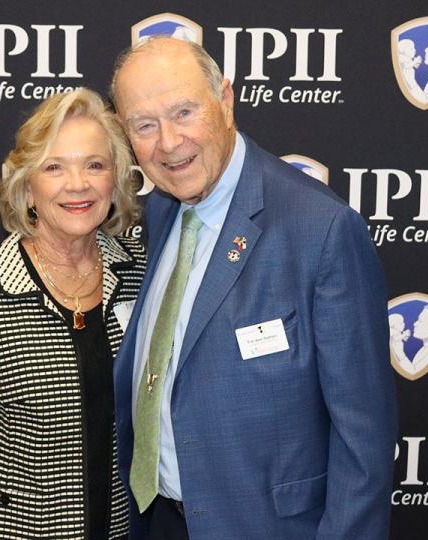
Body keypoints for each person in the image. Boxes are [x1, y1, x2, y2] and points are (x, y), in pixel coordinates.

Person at [110, 37, 397, 539]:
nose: (170, 142)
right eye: (144, 125)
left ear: (225, 100)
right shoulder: (159, 210)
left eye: (183, 112)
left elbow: (364, 439)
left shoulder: (321, 230)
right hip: (157, 521)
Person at [0, 88, 146, 540]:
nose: (78, 184)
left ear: (117, 181)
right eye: (54, 167)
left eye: (95, 165)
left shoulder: (143, 272)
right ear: (27, 186)